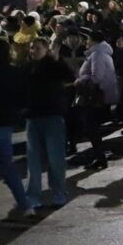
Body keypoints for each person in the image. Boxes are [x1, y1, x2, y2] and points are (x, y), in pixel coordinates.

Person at [0, 35, 32, 216]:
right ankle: (25, 204)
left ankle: (25, 204)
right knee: (7, 167)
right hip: (6, 124)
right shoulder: (15, 73)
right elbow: (24, 98)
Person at [24, 37, 75, 208]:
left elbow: (69, 76)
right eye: (32, 48)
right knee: (33, 160)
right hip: (33, 117)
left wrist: (56, 58)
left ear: (46, 49)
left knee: (56, 158)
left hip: (53, 116)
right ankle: (33, 195)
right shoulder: (27, 67)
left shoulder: (53, 64)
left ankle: (59, 192)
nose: (33, 50)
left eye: (37, 47)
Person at [75, 28, 118, 170]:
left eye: (87, 39)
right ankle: (100, 157)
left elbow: (96, 77)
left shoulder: (97, 54)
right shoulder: (101, 52)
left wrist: (81, 80)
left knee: (91, 128)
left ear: (93, 40)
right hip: (99, 96)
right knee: (92, 128)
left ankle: (100, 158)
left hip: (94, 97)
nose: (86, 42)